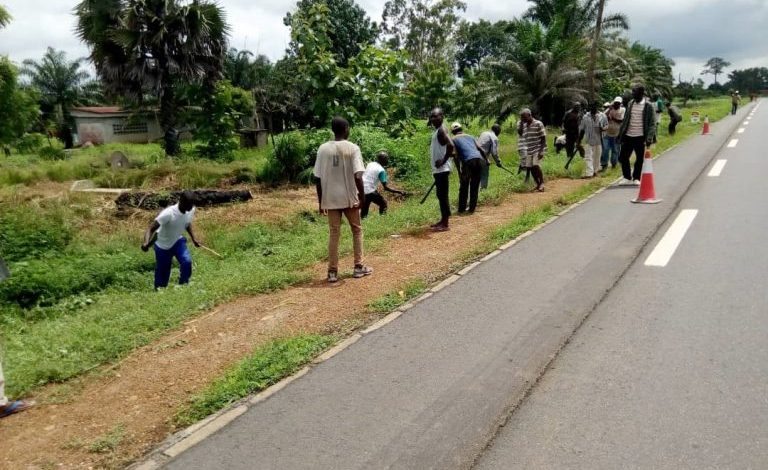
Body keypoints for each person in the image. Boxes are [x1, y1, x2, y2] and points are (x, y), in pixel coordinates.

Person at [313, 116, 372, 283]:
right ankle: (358, 267)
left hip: (330, 199)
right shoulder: (353, 148)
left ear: (333, 129)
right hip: (349, 198)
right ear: (346, 128)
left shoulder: (323, 149)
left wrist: (321, 202)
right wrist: (362, 196)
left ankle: (332, 272)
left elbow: (317, 178)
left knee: (334, 233)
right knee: (357, 230)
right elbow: (358, 175)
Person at [141, 191, 201, 289]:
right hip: (162, 246)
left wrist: (194, 239)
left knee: (187, 262)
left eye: (192, 204)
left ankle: (183, 286)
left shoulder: (190, 209)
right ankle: (159, 292)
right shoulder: (168, 213)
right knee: (163, 274)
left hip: (178, 241)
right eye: (189, 204)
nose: (191, 207)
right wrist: (146, 242)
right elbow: (151, 229)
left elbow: (187, 223)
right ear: (181, 201)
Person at [617, 84, 656, 185]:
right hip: (628, 135)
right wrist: (621, 134)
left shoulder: (648, 106)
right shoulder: (631, 103)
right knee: (623, 157)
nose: (632, 93)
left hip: (640, 137)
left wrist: (649, 138)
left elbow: (652, 123)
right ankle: (626, 176)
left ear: (641, 93)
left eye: (634, 92)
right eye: (632, 91)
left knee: (639, 159)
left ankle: (636, 178)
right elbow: (626, 120)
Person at [428, 108, 455, 232]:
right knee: (441, 195)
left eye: (436, 116)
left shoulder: (442, 130)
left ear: (442, 116)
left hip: (442, 169)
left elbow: (451, 145)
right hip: (439, 170)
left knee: (443, 195)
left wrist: (443, 161)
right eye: (432, 117)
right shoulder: (438, 130)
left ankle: (445, 223)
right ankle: (443, 219)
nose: (433, 119)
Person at [451, 122, 486, 214]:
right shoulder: (470, 136)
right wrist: (487, 160)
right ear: (461, 129)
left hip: (468, 162)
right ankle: (472, 209)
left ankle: (461, 209)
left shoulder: (453, 139)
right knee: (474, 185)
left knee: (464, 185)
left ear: (453, 132)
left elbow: (454, 155)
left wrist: (459, 171)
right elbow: (481, 149)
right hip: (479, 160)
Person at [361, 151, 406, 218]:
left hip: (361, 188)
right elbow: (386, 188)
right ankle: (383, 219)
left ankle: (363, 222)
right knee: (383, 204)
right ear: (383, 160)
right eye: (386, 159)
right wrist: (399, 192)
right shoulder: (381, 170)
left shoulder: (370, 164)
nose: (387, 161)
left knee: (365, 208)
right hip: (370, 190)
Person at [518, 109, 547, 192]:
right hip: (529, 149)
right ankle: (537, 184)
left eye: (524, 117)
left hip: (537, 148)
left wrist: (541, 151)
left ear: (530, 115)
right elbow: (520, 133)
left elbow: (543, 138)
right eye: (522, 118)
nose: (523, 119)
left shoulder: (538, 123)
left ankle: (542, 183)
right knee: (530, 167)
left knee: (535, 165)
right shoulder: (524, 125)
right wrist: (521, 123)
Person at [578, 102, 608, 178]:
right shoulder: (585, 117)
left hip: (599, 140)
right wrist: (579, 140)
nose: (593, 108)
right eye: (591, 107)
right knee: (588, 157)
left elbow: (607, 125)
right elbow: (582, 129)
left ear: (597, 107)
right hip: (588, 140)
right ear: (589, 108)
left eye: (594, 106)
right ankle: (589, 173)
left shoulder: (602, 116)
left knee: (597, 157)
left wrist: (603, 128)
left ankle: (595, 171)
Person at [602, 96, 625, 170]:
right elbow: (603, 116)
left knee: (615, 150)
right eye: (615, 103)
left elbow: (621, 120)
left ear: (620, 104)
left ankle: (614, 164)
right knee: (605, 149)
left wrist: (612, 118)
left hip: (617, 134)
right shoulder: (610, 109)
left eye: (618, 103)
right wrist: (609, 108)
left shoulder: (622, 110)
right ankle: (604, 164)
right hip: (607, 133)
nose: (616, 104)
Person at [477, 124, 502, 190]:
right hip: (482, 157)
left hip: (474, 156)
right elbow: (494, 152)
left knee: (476, 175)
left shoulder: (483, 133)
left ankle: (475, 191)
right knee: (484, 174)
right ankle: (483, 191)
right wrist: (498, 162)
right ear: (497, 131)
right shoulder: (494, 137)